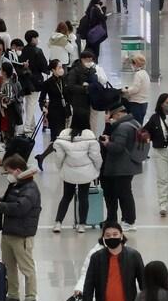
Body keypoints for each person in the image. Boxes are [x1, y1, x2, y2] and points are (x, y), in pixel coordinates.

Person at [0, 154, 41, 301]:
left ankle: (31, 295)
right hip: (9, 231)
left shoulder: (30, 188)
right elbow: (11, 200)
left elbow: (20, 208)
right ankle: (13, 293)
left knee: (26, 267)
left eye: (9, 171)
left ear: (17, 170)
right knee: (9, 266)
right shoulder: (17, 184)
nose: (8, 175)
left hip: (22, 234)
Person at [48, 115, 102, 232]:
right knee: (83, 197)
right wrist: (97, 168)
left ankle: (58, 223)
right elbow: (95, 156)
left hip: (69, 171)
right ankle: (82, 225)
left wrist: (60, 168)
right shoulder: (89, 136)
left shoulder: (64, 135)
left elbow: (59, 156)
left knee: (66, 197)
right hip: (85, 172)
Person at [100, 101, 144, 230]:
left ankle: (129, 221)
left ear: (118, 114)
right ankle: (128, 219)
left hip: (122, 166)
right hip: (131, 163)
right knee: (125, 192)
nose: (112, 119)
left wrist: (107, 143)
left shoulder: (122, 127)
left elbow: (118, 148)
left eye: (113, 116)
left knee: (124, 194)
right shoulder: (135, 123)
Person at [121, 54, 150, 123]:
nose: (132, 65)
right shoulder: (145, 73)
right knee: (140, 123)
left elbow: (135, 89)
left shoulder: (138, 74)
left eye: (133, 63)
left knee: (135, 124)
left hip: (136, 103)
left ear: (136, 64)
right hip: (144, 103)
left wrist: (126, 90)